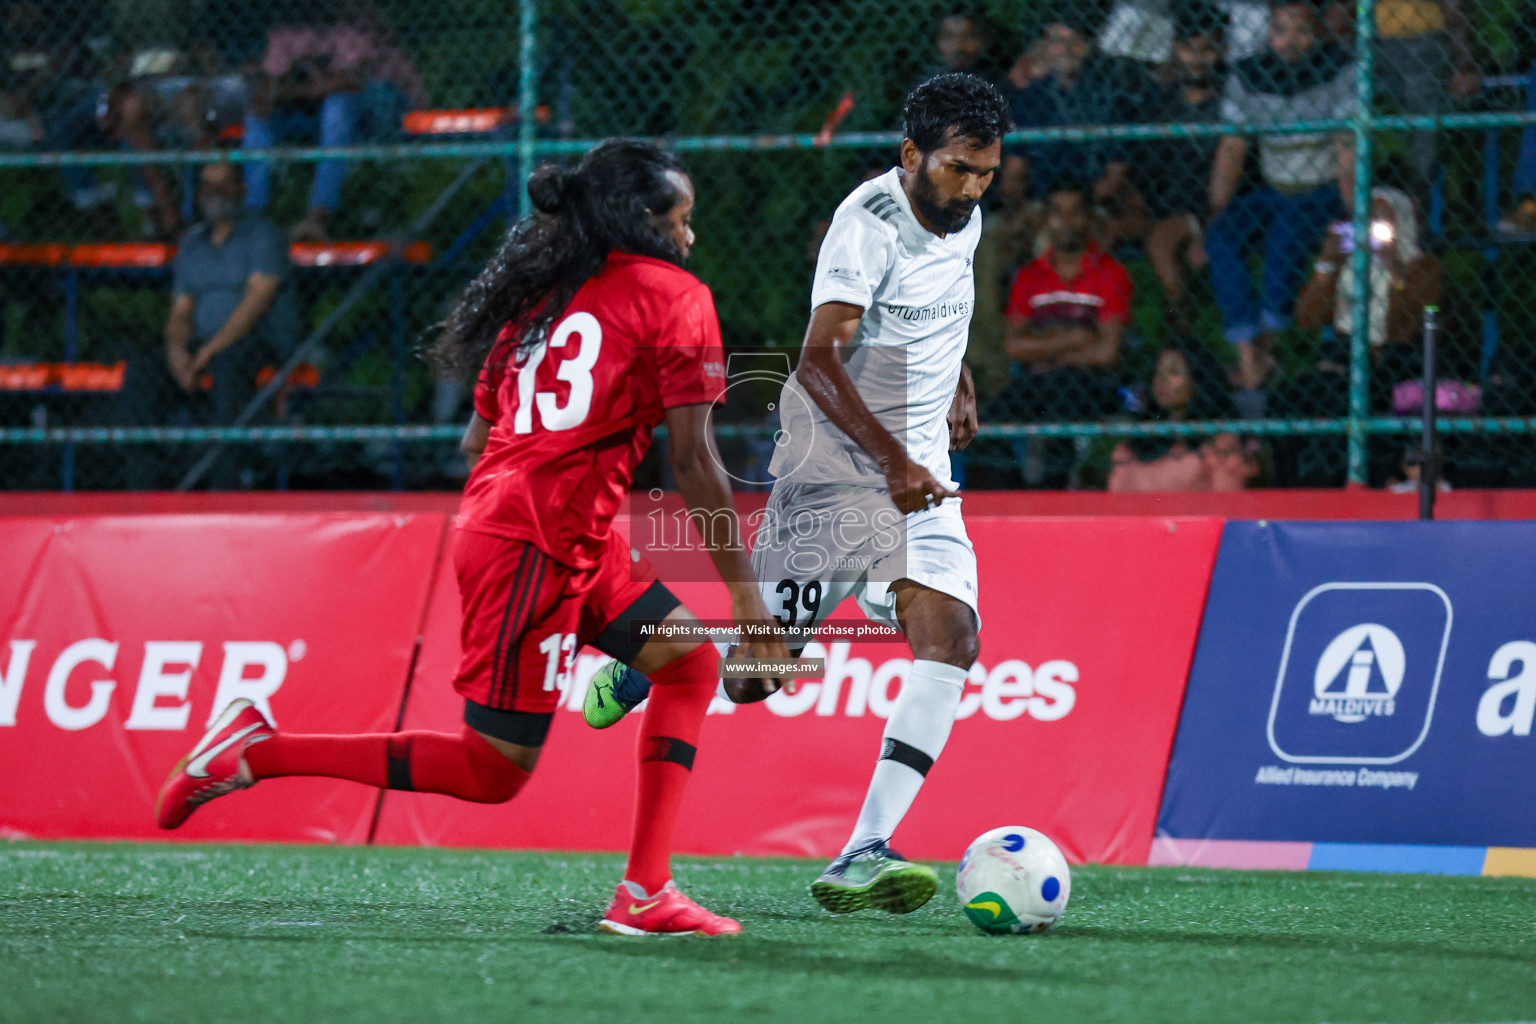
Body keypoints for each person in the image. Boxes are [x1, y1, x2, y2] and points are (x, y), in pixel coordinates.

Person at [155, 140, 789, 937]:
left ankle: (645, 892)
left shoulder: (540, 297)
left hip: (536, 532)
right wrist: (750, 606)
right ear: (642, 222)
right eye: (681, 220)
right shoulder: (675, 294)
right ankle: (258, 749)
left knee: (688, 661)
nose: (691, 237)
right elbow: (695, 460)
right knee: (492, 773)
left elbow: (474, 442)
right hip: (539, 545)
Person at [577, 74, 1008, 917]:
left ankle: (861, 850)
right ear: (912, 154)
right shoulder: (866, 225)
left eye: (987, 173)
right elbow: (818, 360)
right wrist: (891, 462)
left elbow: (933, 309)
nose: (973, 189)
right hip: (839, 470)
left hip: (916, 471)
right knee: (752, 678)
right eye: (959, 170)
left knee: (952, 637)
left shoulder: (967, 216)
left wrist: (957, 376)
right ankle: (656, 645)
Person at [1203, 0, 1356, 410]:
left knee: (1287, 232)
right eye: (1281, 31)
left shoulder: (1340, 67)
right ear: (1268, 34)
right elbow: (1233, 146)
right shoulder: (1249, 73)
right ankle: (1249, 351)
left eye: (1301, 30)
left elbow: (1347, 146)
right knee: (1221, 237)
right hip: (1274, 188)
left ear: (1318, 32)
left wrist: (1352, 207)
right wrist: (1217, 208)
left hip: (1321, 189)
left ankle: (1269, 342)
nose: (1291, 41)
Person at [1271, 185, 1444, 485]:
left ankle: (1339, 480)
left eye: (1381, 218)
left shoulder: (1422, 267)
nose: (1370, 225)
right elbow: (1307, 316)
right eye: (1364, 217)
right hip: (1341, 358)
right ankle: (1293, 483)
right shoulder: (1349, 266)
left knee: (1338, 397)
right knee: (1286, 398)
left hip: (1391, 360)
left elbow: (1404, 327)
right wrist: (1327, 263)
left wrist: (1392, 266)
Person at [988, 180, 1133, 486]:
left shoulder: (1110, 273)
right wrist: (1078, 337)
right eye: (1057, 213)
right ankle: (1012, 499)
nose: (1066, 222)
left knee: (1062, 406)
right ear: (1046, 220)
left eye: (1075, 213)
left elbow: (1107, 352)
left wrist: (1044, 346)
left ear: (1089, 219)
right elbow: (1014, 345)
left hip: (1091, 383)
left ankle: (1049, 497)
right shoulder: (1029, 276)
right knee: (990, 419)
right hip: (1038, 381)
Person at [243, 2, 426, 239]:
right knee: (257, 116)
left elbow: (352, 81)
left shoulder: (353, 20)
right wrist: (281, 94)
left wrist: (291, 91)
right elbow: (269, 86)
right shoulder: (285, 31)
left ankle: (317, 216)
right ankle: (255, 217)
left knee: (338, 103)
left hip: (385, 105)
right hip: (323, 109)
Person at [164, 162, 301, 441]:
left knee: (228, 365)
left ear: (242, 189)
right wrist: (176, 351)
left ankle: (225, 477)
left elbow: (256, 303)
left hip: (255, 341)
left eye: (223, 184)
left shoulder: (263, 234)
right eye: (207, 186)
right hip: (201, 343)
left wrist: (209, 351)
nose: (214, 193)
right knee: (142, 369)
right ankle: (145, 480)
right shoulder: (191, 243)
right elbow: (180, 310)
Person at [1001, 11, 1151, 233]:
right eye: (1056, 42)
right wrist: (1022, 208)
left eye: (1074, 42)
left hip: (1090, 205)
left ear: (1089, 45)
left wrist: (1072, 212)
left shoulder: (1111, 96)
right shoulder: (1031, 97)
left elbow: (1115, 174)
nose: (1065, 50)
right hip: (1040, 204)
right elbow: (1013, 172)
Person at [1133, 4, 1228, 332]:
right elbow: (1144, 169)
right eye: (1189, 49)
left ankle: (1179, 327)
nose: (1197, 59)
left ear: (1222, 49)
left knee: (1163, 242)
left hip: (1208, 208)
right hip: (1161, 205)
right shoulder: (1161, 104)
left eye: (1207, 50)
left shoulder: (1231, 103)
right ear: (1175, 49)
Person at [1107, 344, 1256, 491]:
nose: (1162, 380)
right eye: (1158, 372)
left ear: (1197, 379)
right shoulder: (1140, 437)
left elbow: (1226, 494)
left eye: (1174, 372)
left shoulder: (1219, 437)